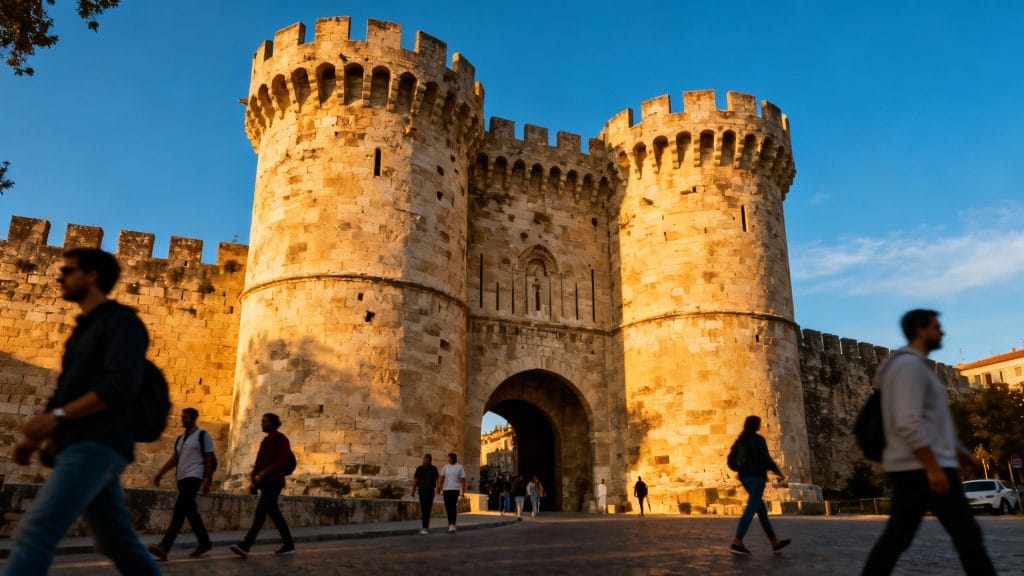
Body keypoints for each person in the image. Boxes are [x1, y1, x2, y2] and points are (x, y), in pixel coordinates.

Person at [3, 248, 161, 575]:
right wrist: (34, 439)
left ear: (92, 277)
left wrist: (57, 418)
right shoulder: (83, 332)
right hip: (79, 444)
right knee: (116, 543)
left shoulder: (123, 324)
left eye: (69, 270)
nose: (60, 275)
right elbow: (66, 391)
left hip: (98, 443)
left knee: (36, 529)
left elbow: (120, 388)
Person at [862, 310, 996, 575]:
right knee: (967, 538)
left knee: (898, 539)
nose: (942, 331)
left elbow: (928, 422)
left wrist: (957, 452)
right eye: (937, 327)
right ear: (920, 331)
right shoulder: (909, 367)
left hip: (919, 466)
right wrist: (932, 466)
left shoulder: (910, 366)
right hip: (922, 468)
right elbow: (908, 421)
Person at [147, 408, 216, 560]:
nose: (182, 420)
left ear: (193, 418)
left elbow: (209, 458)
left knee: (179, 510)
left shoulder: (203, 436)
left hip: (195, 476)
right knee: (191, 512)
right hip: (182, 479)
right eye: (182, 417)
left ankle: (164, 547)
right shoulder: (180, 439)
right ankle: (204, 543)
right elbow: (175, 459)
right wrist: (160, 473)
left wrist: (207, 479)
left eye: (185, 417)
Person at [230, 413, 295, 557]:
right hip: (265, 482)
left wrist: (264, 472)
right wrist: (253, 477)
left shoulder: (282, 440)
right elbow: (259, 462)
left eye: (264, 421)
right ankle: (289, 544)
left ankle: (246, 545)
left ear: (272, 423)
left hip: (275, 481)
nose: (262, 424)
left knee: (260, 513)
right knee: (274, 514)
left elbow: (282, 461)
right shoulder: (265, 441)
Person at [729, 415, 791, 556]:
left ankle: (775, 542)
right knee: (751, 509)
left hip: (745, 478)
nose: (760, 426)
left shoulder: (740, 440)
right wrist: (779, 473)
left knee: (761, 512)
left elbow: (732, 459)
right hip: (756, 478)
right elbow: (766, 459)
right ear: (755, 425)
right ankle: (737, 542)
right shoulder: (758, 439)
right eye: (758, 424)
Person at [436, 452, 466, 534]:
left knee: (453, 507)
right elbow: (441, 478)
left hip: (455, 490)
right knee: (447, 508)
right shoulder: (445, 467)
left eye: (449, 458)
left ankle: (453, 525)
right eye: (448, 458)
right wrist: (438, 488)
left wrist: (463, 491)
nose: (448, 459)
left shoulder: (459, 467)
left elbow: (463, 480)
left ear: (453, 458)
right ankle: (450, 525)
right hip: (446, 490)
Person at [411, 453, 439, 534]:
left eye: (426, 458)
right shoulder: (419, 468)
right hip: (422, 491)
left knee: (428, 509)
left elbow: (438, 479)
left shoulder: (434, 468)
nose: (424, 459)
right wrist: (413, 490)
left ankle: (425, 527)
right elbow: (416, 480)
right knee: (423, 510)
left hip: (430, 491)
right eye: (424, 458)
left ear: (430, 460)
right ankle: (424, 527)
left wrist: (438, 489)